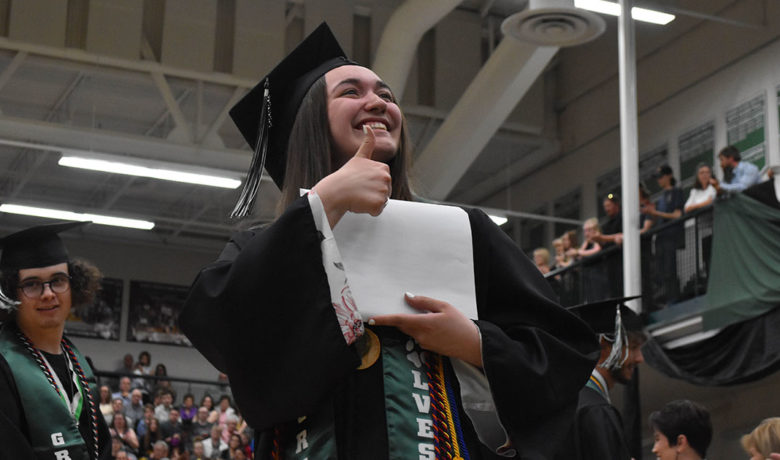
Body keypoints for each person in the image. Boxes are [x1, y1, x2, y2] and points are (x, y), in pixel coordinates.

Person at [180, 23, 597, 459]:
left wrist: (476, 343)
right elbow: (220, 326)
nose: (378, 102)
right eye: (351, 92)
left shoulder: (458, 232)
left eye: (386, 95)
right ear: (309, 125)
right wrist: (325, 203)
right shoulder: (262, 247)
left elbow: (564, 352)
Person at [0, 221, 112, 459]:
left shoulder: (79, 364)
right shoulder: (4, 365)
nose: (48, 293)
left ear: (75, 286)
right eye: (32, 284)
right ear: (10, 293)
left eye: (58, 280)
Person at [555, 296, 646, 460]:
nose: (640, 358)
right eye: (633, 347)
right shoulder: (595, 410)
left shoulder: (565, 403)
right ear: (603, 347)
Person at [643, 164, 686, 304]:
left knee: (669, 269)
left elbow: (677, 214)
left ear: (669, 176)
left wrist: (655, 212)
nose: (659, 180)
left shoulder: (676, 192)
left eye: (661, 177)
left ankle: (673, 298)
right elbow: (659, 216)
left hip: (671, 237)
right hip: (661, 238)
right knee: (660, 271)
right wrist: (650, 214)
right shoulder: (661, 199)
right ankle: (666, 298)